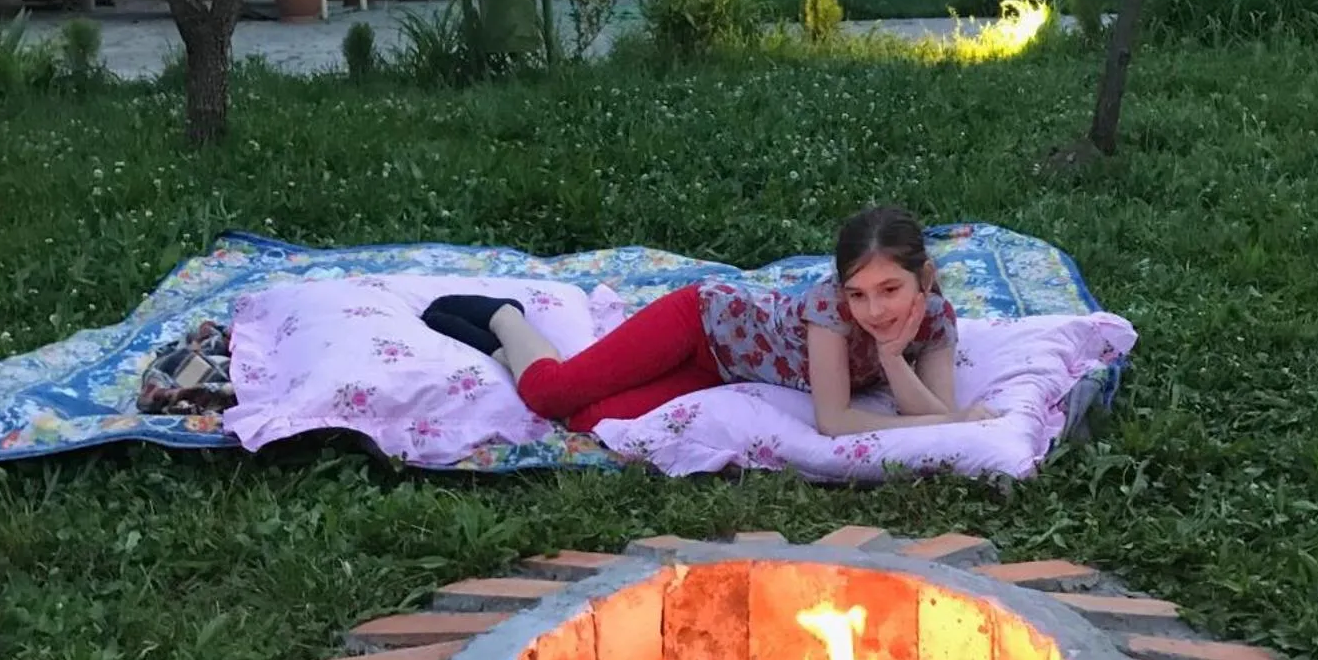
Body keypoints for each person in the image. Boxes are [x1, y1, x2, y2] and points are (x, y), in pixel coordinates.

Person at [421, 205, 998, 435]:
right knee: (551, 396)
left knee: (588, 422)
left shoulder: (936, 319)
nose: (874, 310)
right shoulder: (831, 309)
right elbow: (834, 420)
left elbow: (936, 411)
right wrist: (948, 421)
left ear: (923, 280)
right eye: (860, 293)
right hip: (700, 323)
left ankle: (503, 358)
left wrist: (896, 358)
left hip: (723, 370)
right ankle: (505, 319)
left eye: (890, 290)